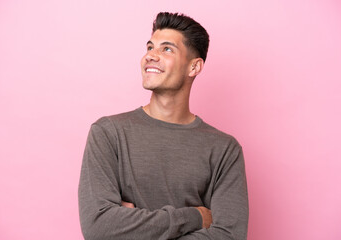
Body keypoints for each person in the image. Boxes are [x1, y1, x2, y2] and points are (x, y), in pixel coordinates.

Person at [78, 12, 249, 240]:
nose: (151, 56)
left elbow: (230, 236)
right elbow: (99, 227)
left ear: (194, 67)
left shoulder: (225, 149)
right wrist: (195, 217)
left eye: (166, 49)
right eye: (150, 48)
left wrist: (131, 228)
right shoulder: (108, 133)